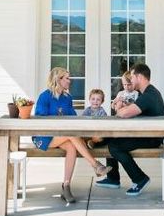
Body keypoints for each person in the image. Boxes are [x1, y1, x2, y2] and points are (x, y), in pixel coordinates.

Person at [33, 67, 111, 203]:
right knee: (70, 134)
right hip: (44, 137)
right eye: (67, 78)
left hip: (64, 136)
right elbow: (41, 121)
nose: (70, 80)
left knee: (71, 146)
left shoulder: (67, 97)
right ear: (58, 80)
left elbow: (73, 118)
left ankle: (66, 186)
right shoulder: (44, 96)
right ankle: (96, 164)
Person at [96, 62, 164, 196]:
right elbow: (132, 110)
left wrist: (121, 108)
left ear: (139, 77)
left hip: (152, 138)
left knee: (115, 146)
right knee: (111, 138)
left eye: (132, 77)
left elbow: (124, 114)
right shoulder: (148, 92)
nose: (131, 80)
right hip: (147, 134)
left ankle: (140, 179)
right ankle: (113, 178)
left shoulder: (149, 95)